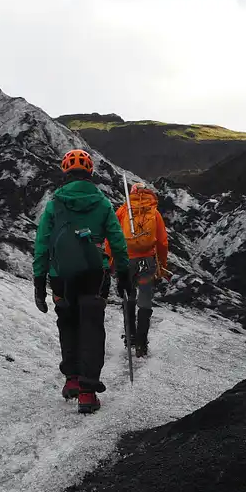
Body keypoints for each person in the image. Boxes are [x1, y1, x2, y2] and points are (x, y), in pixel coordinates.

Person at [33, 149, 131, 413]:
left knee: (68, 325)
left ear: (65, 173)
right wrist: (124, 275)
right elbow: (118, 242)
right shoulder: (102, 204)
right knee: (91, 328)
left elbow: (42, 243)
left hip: (59, 276)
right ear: (90, 173)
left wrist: (39, 281)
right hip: (94, 275)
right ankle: (88, 393)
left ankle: (72, 380)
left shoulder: (54, 204)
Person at [107, 181, 169, 357]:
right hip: (147, 261)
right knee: (145, 299)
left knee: (129, 295)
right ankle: (141, 343)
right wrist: (162, 266)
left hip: (126, 260)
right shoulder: (154, 213)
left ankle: (130, 337)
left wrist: (110, 260)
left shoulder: (123, 211)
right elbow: (163, 242)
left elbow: (112, 236)